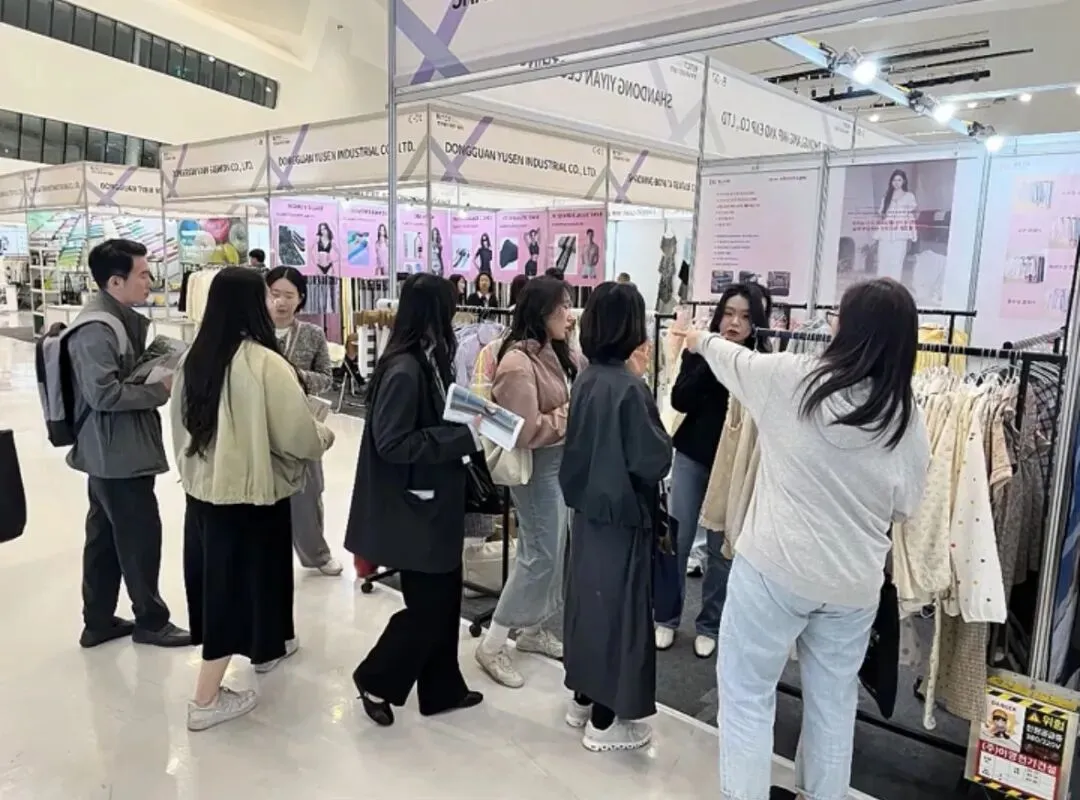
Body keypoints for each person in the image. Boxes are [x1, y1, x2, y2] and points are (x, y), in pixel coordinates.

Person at [684, 278, 930, 800]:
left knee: (747, 698)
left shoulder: (795, 378)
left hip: (774, 568)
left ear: (849, 327)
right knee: (833, 708)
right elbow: (906, 506)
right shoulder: (906, 415)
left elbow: (733, 360)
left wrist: (699, 338)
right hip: (853, 585)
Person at [172, 267, 335, 731]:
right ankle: (205, 700)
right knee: (236, 588)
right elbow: (298, 436)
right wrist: (322, 435)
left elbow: (180, 430)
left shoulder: (194, 358)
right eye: (267, 296)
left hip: (204, 493)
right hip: (251, 496)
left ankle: (268, 647)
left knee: (231, 581)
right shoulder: (265, 363)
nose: (274, 303)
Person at [346, 273, 485, 727]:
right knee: (430, 609)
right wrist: (459, 438)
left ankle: (442, 688)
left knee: (444, 600)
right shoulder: (405, 369)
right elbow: (391, 442)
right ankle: (375, 677)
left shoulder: (426, 358)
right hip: (416, 506)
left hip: (432, 501)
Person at [560, 281, 672, 752]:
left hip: (587, 513)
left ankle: (582, 699)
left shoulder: (587, 378)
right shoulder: (629, 389)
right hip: (623, 517)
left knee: (587, 605)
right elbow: (654, 459)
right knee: (620, 613)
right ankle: (606, 722)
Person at [68, 239, 190, 649]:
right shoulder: (97, 329)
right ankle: (151, 621)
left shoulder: (114, 321)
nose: (150, 281)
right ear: (115, 281)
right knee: (139, 538)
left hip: (111, 450)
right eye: (143, 274)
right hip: (116, 454)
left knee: (105, 537)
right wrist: (158, 390)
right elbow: (102, 394)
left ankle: (98, 621)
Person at [474, 277, 580, 688]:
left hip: (557, 466)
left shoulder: (555, 350)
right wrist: (572, 412)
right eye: (562, 307)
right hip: (536, 470)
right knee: (539, 557)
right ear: (541, 312)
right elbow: (524, 431)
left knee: (552, 552)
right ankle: (492, 644)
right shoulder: (517, 362)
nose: (569, 314)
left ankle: (533, 628)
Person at [657, 283, 770, 659]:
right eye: (729, 313)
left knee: (722, 549)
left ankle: (710, 625)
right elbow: (679, 399)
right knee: (677, 539)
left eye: (745, 316)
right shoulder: (699, 350)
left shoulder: (761, 362)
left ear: (757, 323)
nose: (735, 322)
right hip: (692, 457)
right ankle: (666, 617)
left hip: (734, 467)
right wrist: (710, 356)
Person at [266, 267, 342, 577]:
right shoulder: (252, 333)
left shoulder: (312, 334)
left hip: (301, 422)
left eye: (288, 295)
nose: (281, 302)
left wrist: (293, 376)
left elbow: (326, 378)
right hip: (260, 423)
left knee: (308, 491)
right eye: (274, 294)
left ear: (300, 299)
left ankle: (316, 554)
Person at [874, 168, 917, 285]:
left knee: (897, 264)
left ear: (904, 181)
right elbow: (881, 216)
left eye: (899, 180)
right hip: (885, 236)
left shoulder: (909, 196)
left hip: (900, 237)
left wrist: (912, 236)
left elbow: (911, 217)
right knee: (883, 262)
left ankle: (894, 289)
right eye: (894, 180)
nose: (896, 182)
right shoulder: (886, 197)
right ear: (891, 182)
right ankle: (881, 288)